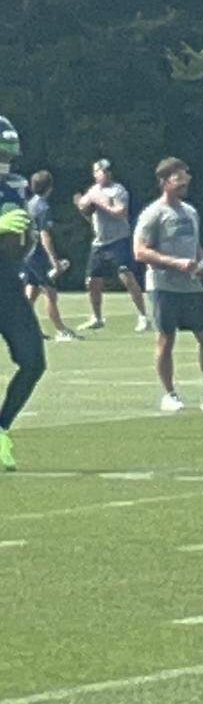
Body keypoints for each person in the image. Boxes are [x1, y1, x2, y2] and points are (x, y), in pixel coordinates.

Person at [133, 157, 203, 412]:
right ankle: (169, 394)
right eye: (178, 177)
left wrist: (202, 263)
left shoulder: (191, 212)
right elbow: (140, 251)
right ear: (164, 182)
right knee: (165, 339)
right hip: (163, 286)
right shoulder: (153, 214)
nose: (185, 181)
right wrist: (175, 263)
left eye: (186, 176)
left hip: (191, 287)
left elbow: (195, 245)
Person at [0, 115, 47, 471]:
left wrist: (26, 241)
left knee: (33, 361)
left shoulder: (14, 188)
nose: (7, 163)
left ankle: (0, 429)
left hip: (6, 284)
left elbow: (24, 241)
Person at [74, 158, 152, 332]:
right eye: (99, 171)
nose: (103, 174)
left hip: (118, 240)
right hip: (99, 242)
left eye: (104, 171)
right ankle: (97, 317)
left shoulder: (118, 190)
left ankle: (143, 317)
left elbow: (120, 212)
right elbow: (87, 210)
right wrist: (82, 206)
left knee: (127, 276)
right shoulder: (93, 190)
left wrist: (99, 203)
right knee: (92, 281)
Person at [21, 171, 81, 341]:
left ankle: (29, 330)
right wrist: (54, 261)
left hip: (26, 254)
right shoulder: (43, 207)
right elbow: (44, 235)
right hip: (37, 256)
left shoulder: (28, 204)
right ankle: (61, 330)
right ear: (50, 187)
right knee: (50, 293)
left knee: (31, 293)